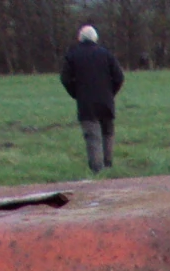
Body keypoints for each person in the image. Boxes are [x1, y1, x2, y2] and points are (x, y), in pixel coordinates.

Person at [59, 25, 124, 174]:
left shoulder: (72, 55)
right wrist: (110, 93)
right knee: (107, 133)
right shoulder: (106, 54)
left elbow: (65, 79)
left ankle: (97, 171)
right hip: (106, 102)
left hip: (86, 103)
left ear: (79, 38)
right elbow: (119, 77)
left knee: (92, 137)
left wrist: (76, 93)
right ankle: (108, 166)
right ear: (96, 38)